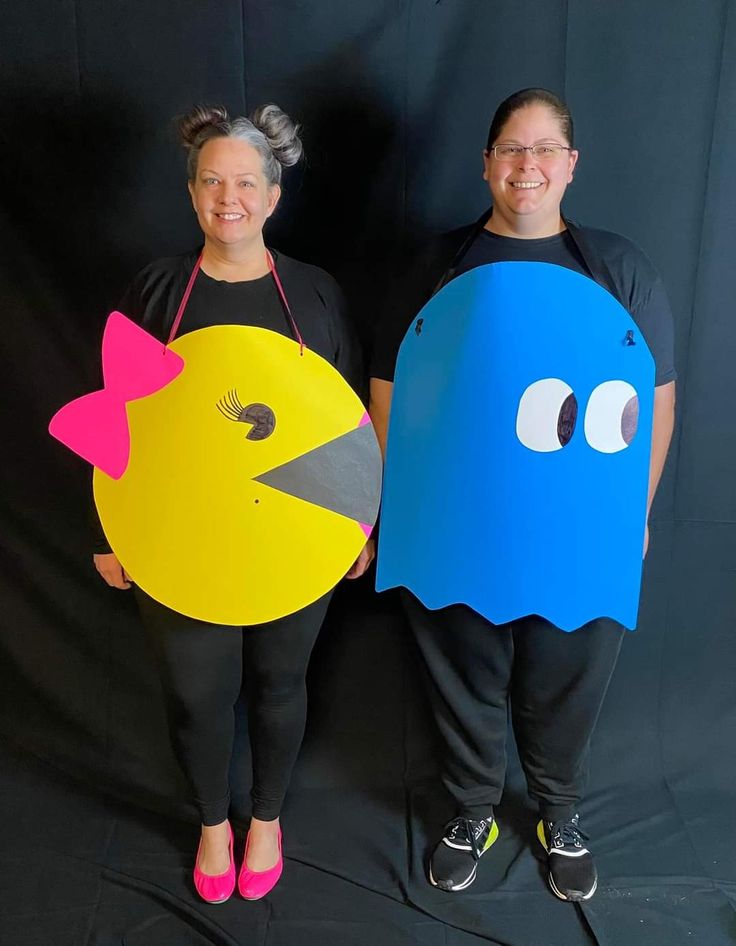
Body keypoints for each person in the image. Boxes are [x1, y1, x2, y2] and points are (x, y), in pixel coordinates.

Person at [369, 88, 676, 902]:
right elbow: (389, 389)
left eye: (545, 150)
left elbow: (655, 396)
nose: (527, 165)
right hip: (455, 523)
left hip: (577, 525)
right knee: (461, 668)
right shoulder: (435, 267)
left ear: (571, 164)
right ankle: (472, 808)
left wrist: (630, 512)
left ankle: (558, 810)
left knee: (568, 670)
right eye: (511, 148)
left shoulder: (619, 269)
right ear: (486, 162)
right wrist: (394, 503)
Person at [93, 103, 374, 903]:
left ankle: (268, 819)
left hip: (295, 529)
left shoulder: (315, 295)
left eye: (246, 182)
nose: (230, 198)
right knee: (195, 689)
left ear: (273, 195)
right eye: (212, 181)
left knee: (282, 682)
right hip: (179, 532)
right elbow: (116, 423)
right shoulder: (155, 291)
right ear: (191, 195)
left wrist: (357, 524)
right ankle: (213, 824)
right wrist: (110, 530)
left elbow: (345, 417)